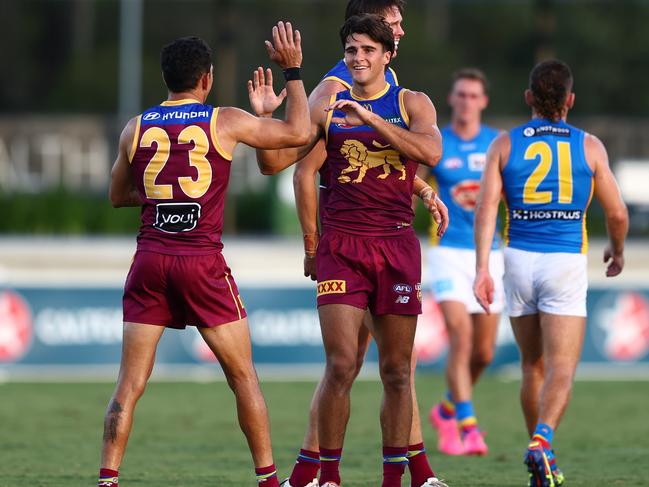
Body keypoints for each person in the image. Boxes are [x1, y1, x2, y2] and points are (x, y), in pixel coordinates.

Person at [98, 25, 309, 487]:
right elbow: (299, 130)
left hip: (150, 260)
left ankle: (107, 479)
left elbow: (119, 195)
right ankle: (269, 480)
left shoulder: (136, 127)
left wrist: (161, 200)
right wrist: (291, 71)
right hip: (201, 263)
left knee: (128, 387)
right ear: (207, 79)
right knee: (243, 377)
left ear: (165, 78)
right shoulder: (225, 120)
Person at [253, 14, 445, 487]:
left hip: (397, 245)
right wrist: (263, 120)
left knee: (398, 371)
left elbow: (431, 153)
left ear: (388, 55)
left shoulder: (412, 102)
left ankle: (394, 479)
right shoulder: (329, 102)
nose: (358, 59)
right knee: (341, 364)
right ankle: (329, 477)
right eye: (352, 50)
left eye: (368, 51)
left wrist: (373, 121)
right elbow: (277, 164)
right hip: (342, 244)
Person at [473, 59, 628, 487]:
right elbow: (616, 213)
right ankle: (542, 440)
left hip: (518, 258)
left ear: (528, 99)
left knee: (531, 365)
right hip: (564, 262)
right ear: (570, 101)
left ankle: (542, 460)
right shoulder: (590, 146)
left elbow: (486, 207)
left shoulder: (504, 144)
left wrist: (482, 267)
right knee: (562, 366)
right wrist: (616, 251)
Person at [423, 68, 502, 456]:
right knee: (461, 336)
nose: (467, 101)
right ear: (451, 100)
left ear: (483, 102)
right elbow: (412, 185)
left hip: (490, 253)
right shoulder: (438, 144)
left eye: (474, 95)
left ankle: (446, 409)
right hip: (448, 251)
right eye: (461, 95)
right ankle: (468, 426)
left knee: (484, 353)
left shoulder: (496, 145)